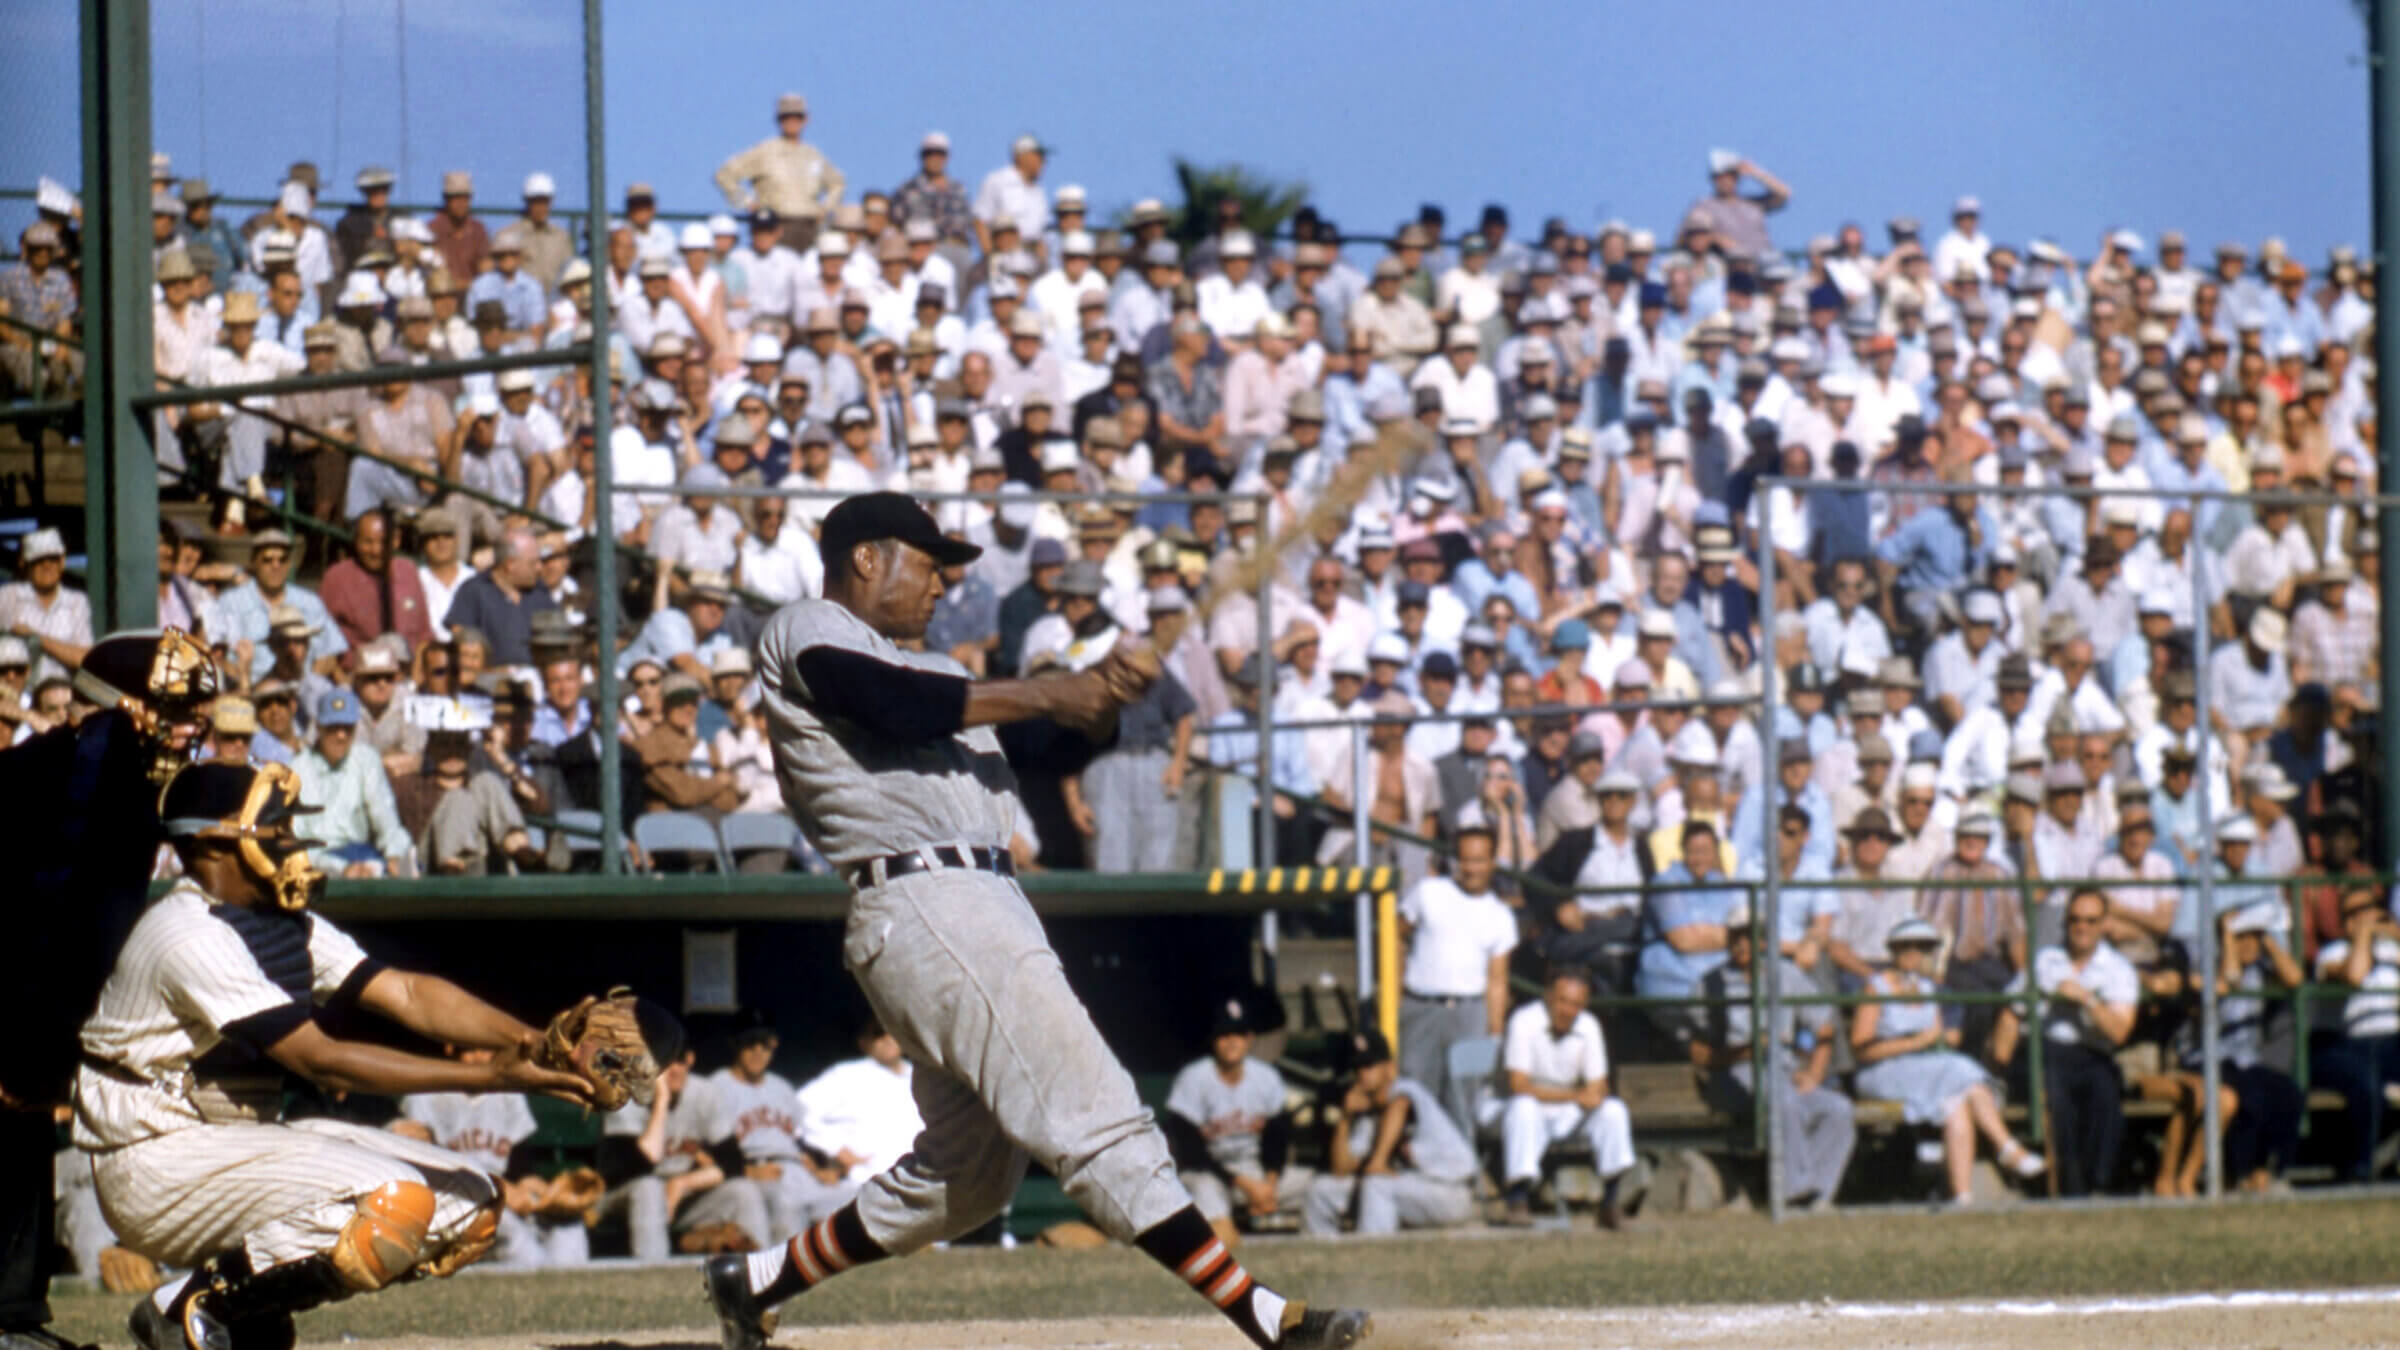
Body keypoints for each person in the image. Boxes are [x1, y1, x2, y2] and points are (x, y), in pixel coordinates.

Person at [718, 492, 1368, 1350]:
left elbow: (1041, 746)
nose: (942, 584)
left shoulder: (942, 673)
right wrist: (1047, 687)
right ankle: (1264, 1317)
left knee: (969, 1177)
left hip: (969, 904)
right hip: (930, 899)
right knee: (1094, 1109)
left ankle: (756, 1281)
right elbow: (894, 705)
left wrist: (1098, 705)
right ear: (867, 558)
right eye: (927, 563)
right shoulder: (809, 627)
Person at [80, 761, 599, 1350]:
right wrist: (492, 1076)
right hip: (153, 1162)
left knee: (468, 1206)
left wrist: (537, 1041)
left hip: (230, 1145)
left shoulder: (279, 922)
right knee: (391, 1203)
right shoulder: (187, 933)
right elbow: (321, 1060)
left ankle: (247, 1313)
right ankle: (192, 1309)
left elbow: (405, 993)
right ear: (213, 845)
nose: (288, 841)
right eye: (270, 828)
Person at [0, 633, 216, 1350]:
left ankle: (11, 1318)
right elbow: (50, 913)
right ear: (129, 706)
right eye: (176, 708)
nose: (195, 726)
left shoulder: (119, 769)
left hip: (28, 990)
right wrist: (32, 1038)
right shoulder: (87, 768)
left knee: (22, 1126)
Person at [1852, 917, 2045, 1206]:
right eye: (1906, 947)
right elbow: (1861, 1049)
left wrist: (1936, 1039)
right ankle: (2005, 1146)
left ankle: (1961, 1196)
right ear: (1894, 950)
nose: (1913, 954)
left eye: (1921, 947)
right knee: (1962, 1071)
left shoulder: (1929, 990)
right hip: (1883, 1072)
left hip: (1926, 1072)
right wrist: (1913, 1042)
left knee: (1957, 1101)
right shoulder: (1876, 988)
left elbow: (1941, 1038)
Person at [1694, 903, 1856, 1210]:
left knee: (1839, 1109)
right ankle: (1792, 1192)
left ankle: (1818, 1196)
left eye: (1750, 936)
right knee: (1784, 1101)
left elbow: (1824, 1024)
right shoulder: (1710, 983)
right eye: (1736, 937)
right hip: (1737, 1073)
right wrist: (1746, 1050)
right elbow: (1698, 1053)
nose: (1743, 944)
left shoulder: (1786, 974)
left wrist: (1815, 1073)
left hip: (1783, 1070)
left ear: (1764, 940)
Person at [1992, 886, 2138, 1197]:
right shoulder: (2044, 961)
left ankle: (2100, 1182)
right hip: (2045, 1049)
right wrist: (1999, 1069)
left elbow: (2120, 1032)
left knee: (2104, 1087)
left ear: (2103, 924)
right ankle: (2070, 1189)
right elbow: (2010, 1014)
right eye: (2074, 920)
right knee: (2054, 1090)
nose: (2081, 927)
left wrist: (2086, 999)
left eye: (2090, 920)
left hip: (2091, 1052)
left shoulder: (2117, 970)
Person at [389, 1058, 590, 1268]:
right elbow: (428, 1174)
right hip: (455, 1202)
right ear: (451, 1050)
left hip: (501, 1199)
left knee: (569, 1229)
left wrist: (548, 1196)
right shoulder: (427, 1096)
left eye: (484, 1049)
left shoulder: (507, 1096)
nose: (478, 1058)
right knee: (510, 1229)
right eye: (470, 1050)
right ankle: (537, 1289)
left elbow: (521, 1170)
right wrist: (500, 1189)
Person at [1488, 971, 1635, 1229]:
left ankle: (1611, 1202)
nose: (1568, 1010)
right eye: (1562, 1001)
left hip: (1564, 1109)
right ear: (1548, 997)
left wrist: (1593, 1094)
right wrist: (1578, 1095)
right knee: (1524, 1108)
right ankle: (1518, 1199)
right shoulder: (1524, 1020)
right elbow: (1519, 1085)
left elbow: (1598, 1084)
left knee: (1614, 1110)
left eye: (1576, 1004)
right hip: (1516, 1107)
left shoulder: (1589, 1025)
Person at [1299, 1029, 1476, 1237]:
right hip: (1407, 1189)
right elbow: (1341, 1170)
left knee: (1376, 1184)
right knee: (1320, 1191)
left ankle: (1371, 1260)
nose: (1362, 1074)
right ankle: (1323, 1263)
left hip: (1449, 1191)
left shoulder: (1407, 1089)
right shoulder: (1366, 1115)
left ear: (1389, 1068)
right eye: (1357, 1067)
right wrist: (1345, 1119)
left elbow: (1399, 1107)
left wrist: (1378, 1161)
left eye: (1369, 1065)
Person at [1394, 816, 1517, 1113]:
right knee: (1411, 1089)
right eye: (1465, 860)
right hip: (1420, 1007)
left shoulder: (1501, 916)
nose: (1472, 868)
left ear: (1492, 863)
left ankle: (1462, 1158)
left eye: (1479, 860)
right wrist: (1395, 989)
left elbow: (1497, 980)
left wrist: (1495, 1032)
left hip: (1471, 1014)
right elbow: (1394, 937)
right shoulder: (1428, 891)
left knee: (1464, 1095)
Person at [1163, 997, 1308, 1247]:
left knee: (1315, 1185)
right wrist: (1248, 1187)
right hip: (1209, 1174)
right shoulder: (1194, 1078)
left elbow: (1278, 1137)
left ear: (1250, 1038)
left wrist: (1268, 1185)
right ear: (1213, 1040)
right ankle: (1226, 1256)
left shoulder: (1265, 1077)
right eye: (1224, 1034)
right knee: (1207, 1192)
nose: (1232, 1041)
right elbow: (1192, 1153)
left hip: (1256, 1171)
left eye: (1239, 1034)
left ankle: (1314, 1253)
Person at [2312, 885, 2400, 1184]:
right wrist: (2363, 934)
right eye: (2358, 912)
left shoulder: (2391, 949)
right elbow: (2354, 975)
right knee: (2366, 1083)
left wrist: (2394, 932)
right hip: (2349, 1044)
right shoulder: (2332, 951)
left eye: (2372, 907)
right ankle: (2364, 1166)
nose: (2369, 916)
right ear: (2346, 921)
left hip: (2393, 1039)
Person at [793, 1020, 925, 1195]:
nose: (887, 1038)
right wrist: (835, 1148)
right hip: (866, 1187)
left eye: (892, 1031)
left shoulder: (922, 1078)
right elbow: (793, 1110)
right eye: (878, 1034)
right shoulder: (848, 1076)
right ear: (864, 1043)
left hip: (921, 1186)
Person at [715, 95, 844, 251]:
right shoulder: (765, 151)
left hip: (810, 228)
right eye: (786, 117)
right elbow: (725, 175)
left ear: (806, 119)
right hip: (776, 228)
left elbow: (837, 182)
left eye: (797, 117)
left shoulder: (813, 155)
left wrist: (826, 209)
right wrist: (747, 203)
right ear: (779, 120)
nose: (792, 121)